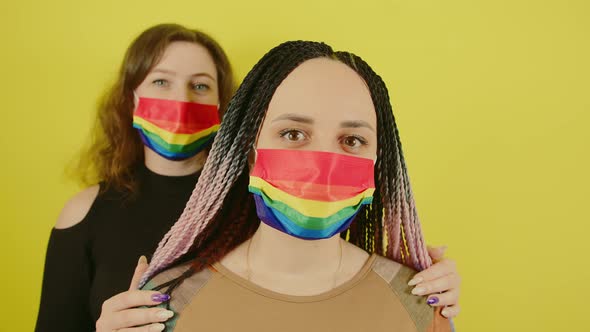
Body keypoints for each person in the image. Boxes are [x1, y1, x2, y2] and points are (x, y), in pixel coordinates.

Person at [131, 40, 456, 332]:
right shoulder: (165, 307)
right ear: (249, 150)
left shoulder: (418, 302)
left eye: (352, 140)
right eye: (293, 133)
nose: (322, 161)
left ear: (377, 160)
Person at [35, 23, 235, 331]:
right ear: (132, 100)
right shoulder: (83, 213)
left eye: (200, 86)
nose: (181, 100)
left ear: (222, 107)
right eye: (160, 81)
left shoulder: (255, 207)